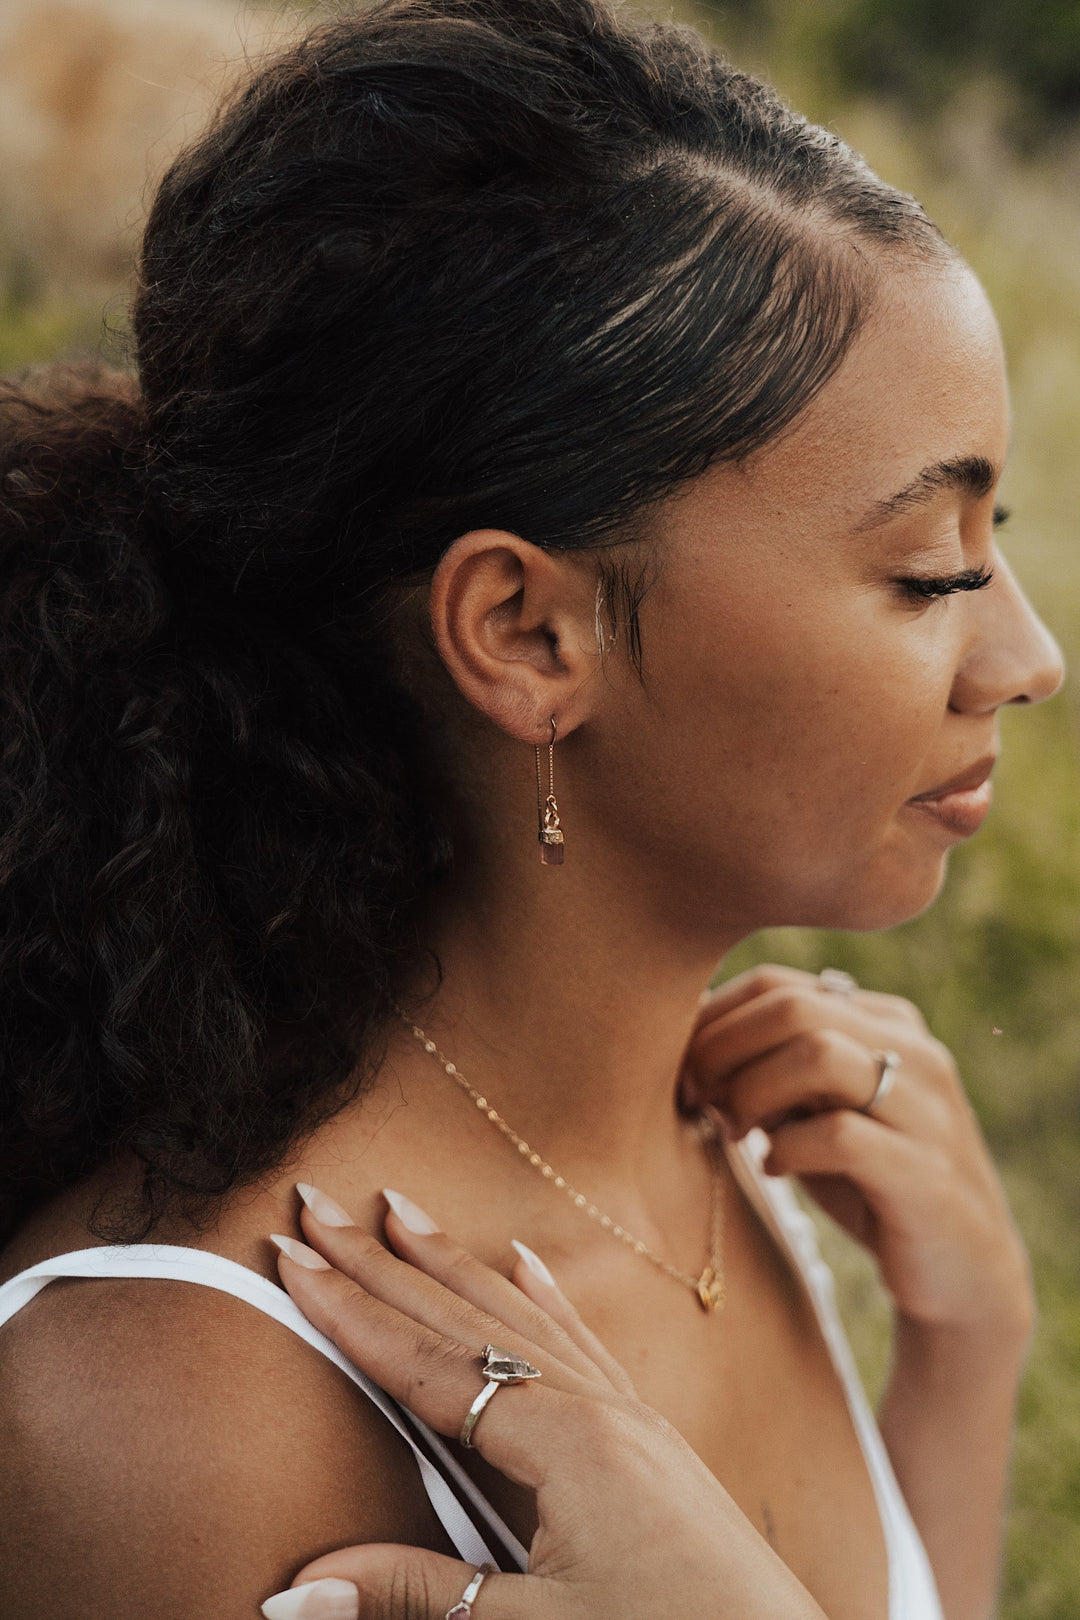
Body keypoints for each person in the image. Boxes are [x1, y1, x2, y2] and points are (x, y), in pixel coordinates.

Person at [0, 1, 1063, 1616]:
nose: (1027, 656)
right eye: (929, 571)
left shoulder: (750, 1156)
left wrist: (967, 1356)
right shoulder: (167, 1412)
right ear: (527, 632)